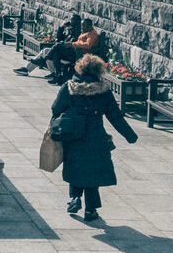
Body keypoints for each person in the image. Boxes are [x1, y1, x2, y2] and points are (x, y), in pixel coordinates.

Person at [50, 54, 138, 221]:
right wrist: (130, 135)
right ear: (98, 71)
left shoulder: (68, 87)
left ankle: (74, 198)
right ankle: (91, 210)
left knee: (76, 168)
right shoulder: (103, 91)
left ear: (80, 68)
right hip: (96, 137)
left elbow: (56, 108)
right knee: (92, 172)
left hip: (74, 137)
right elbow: (115, 116)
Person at [15, 19, 99, 79]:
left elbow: (88, 45)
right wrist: (62, 28)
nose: (82, 27)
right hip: (70, 51)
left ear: (89, 26)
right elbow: (59, 38)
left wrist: (72, 43)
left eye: (83, 25)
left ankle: (41, 63)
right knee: (51, 51)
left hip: (78, 55)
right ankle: (47, 69)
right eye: (81, 25)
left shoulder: (90, 34)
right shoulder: (81, 31)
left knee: (55, 48)